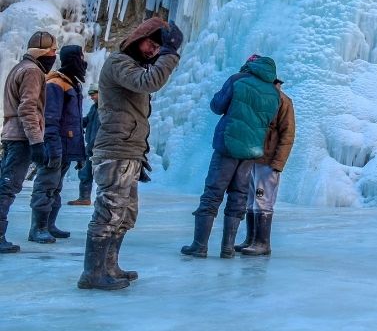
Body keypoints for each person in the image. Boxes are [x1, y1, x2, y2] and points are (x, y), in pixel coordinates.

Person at [78, 18, 182, 291]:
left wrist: (138, 153)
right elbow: (150, 81)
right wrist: (171, 54)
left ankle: (109, 266)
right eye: (152, 43)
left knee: (125, 214)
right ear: (138, 37)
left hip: (128, 151)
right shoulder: (118, 63)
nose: (153, 50)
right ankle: (93, 272)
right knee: (109, 211)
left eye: (159, 47)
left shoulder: (131, 66)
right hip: (116, 150)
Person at [181, 55, 281, 259]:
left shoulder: (238, 79)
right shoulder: (274, 92)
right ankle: (227, 248)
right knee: (239, 196)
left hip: (228, 144)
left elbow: (217, 106)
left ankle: (200, 245)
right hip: (252, 151)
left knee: (213, 192)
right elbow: (269, 120)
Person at [0, 31, 57, 254]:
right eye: (53, 51)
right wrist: (36, 142)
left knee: (5, 185)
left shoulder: (20, 67)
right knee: (8, 187)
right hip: (21, 137)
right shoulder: (33, 71)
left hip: (13, 134)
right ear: (43, 52)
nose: (54, 56)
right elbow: (28, 108)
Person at [30, 45, 88, 243]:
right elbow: (51, 119)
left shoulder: (71, 83)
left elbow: (74, 122)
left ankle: (49, 225)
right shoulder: (56, 83)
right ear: (72, 60)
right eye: (80, 57)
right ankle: (38, 228)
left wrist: (79, 153)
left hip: (65, 146)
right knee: (46, 186)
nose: (84, 62)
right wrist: (52, 147)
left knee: (55, 187)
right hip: (55, 146)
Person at [235, 78, 296, 257]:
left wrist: (278, 162)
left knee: (263, 200)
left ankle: (262, 243)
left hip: (269, 161)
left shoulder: (283, 101)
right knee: (251, 200)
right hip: (253, 158)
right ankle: (251, 239)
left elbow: (288, 134)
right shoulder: (258, 98)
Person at [69, 85, 99, 206]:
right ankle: (84, 197)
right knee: (85, 172)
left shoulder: (107, 108)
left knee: (103, 176)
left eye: (94, 93)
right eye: (90, 93)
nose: (91, 96)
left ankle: (104, 200)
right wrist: (75, 122)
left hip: (101, 147)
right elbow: (87, 121)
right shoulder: (94, 108)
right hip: (91, 146)